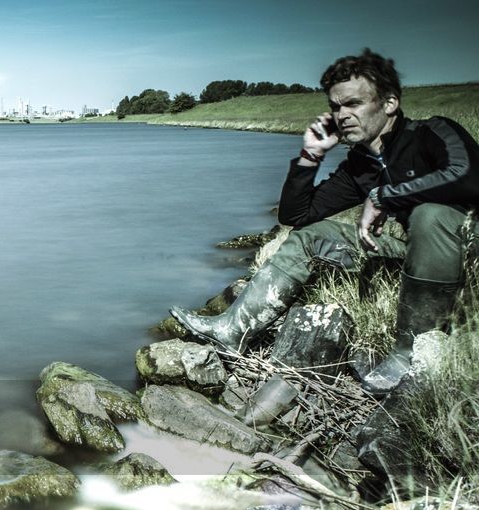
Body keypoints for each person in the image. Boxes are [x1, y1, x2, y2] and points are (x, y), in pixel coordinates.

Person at [169, 49, 479, 395]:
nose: (342, 115)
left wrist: (383, 197)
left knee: (430, 214)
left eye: (353, 104)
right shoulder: (360, 166)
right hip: (424, 263)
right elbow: (296, 216)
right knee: (311, 236)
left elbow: (469, 177)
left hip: (471, 250)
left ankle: (409, 354)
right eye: (335, 106)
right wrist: (310, 156)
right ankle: (234, 328)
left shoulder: (433, 132)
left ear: (389, 103)